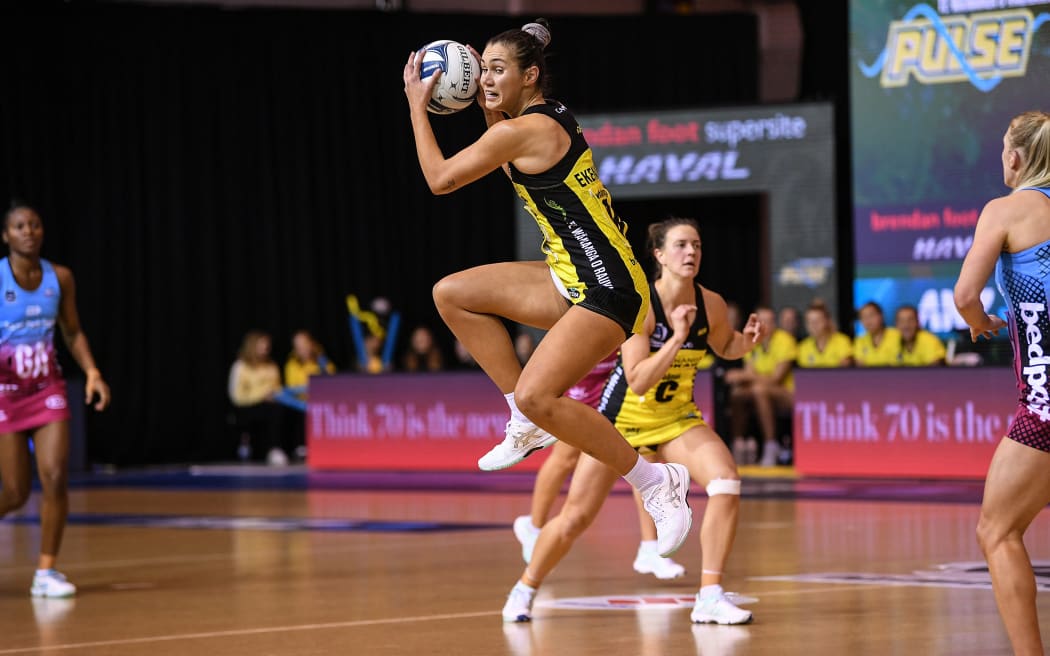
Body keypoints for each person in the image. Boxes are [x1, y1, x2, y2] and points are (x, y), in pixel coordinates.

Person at [403, 19, 692, 556]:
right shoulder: (533, 118)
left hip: (609, 286)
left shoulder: (524, 131)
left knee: (543, 395)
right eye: (482, 69)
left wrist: (418, 104)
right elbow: (495, 132)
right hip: (569, 273)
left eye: (497, 70)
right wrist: (492, 72)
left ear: (530, 75)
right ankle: (520, 417)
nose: (486, 80)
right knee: (451, 294)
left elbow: (440, 180)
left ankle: (658, 483)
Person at [501, 217, 765, 624]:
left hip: (677, 419)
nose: (691, 252)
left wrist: (746, 341)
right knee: (575, 518)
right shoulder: (641, 305)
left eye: (696, 245)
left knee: (726, 481)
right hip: (621, 422)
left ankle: (710, 594)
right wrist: (675, 337)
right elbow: (638, 380)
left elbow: (725, 345)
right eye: (680, 245)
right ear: (658, 255)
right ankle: (526, 586)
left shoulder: (709, 303)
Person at [954, 109, 1050, 656]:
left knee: (997, 531)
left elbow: (968, 293)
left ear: (1015, 157)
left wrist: (977, 323)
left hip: (1046, 401)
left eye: (1002, 150)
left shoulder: (1006, 209)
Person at [0, 202, 111, 598]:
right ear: (6, 236)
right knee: (14, 493)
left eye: (34, 224)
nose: (28, 231)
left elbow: (72, 331)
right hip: (5, 394)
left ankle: (45, 572)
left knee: (54, 475)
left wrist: (93, 371)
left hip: (47, 390)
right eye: (19, 226)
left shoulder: (59, 277)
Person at [512, 351, 686, 580]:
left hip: (617, 380)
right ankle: (533, 528)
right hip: (587, 375)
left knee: (641, 456)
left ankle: (649, 547)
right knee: (566, 457)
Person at [727, 306, 796, 466]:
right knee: (738, 393)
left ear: (775, 323)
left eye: (769, 321)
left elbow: (776, 379)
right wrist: (748, 377)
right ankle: (739, 444)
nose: (765, 325)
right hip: (759, 391)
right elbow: (750, 376)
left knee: (759, 390)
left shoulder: (786, 340)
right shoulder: (752, 341)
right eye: (761, 321)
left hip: (787, 393)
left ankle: (771, 445)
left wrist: (745, 375)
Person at [228, 330, 288, 466]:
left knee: (278, 409)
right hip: (246, 406)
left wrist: (276, 395)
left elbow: (277, 387)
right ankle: (247, 446)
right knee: (271, 410)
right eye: (261, 345)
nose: (265, 349)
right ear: (252, 346)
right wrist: (261, 396)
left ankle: (274, 449)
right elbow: (236, 396)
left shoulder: (271, 365)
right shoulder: (240, 366)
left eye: (267, 345)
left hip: (270, 405)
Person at [797, 300, 853, 368]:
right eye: (809, 321)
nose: (813, 325)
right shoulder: (803, 347)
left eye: (817, 321)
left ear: (827, 321)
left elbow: (844, 373)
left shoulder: (842, 341)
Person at [852, 301, 901, 366]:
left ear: (881, 316)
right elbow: (860, 367)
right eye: (863, 317)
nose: (868, 321)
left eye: (871, 315)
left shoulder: (898, 335)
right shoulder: (860, 340)